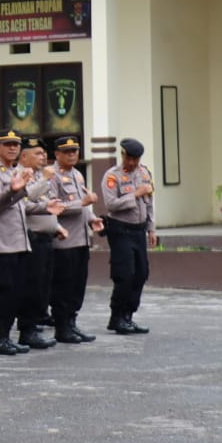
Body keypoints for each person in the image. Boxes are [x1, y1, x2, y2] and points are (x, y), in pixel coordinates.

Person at [0, 130, 53, 355]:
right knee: (3, 292)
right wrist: (17, 190)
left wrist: (44, 206)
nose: (13, 148)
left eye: (16, 144)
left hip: (19, 241)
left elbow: (23, 204)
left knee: (15, 293)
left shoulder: (15, 171)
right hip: (2, 240)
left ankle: (6, 336)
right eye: (7, 144)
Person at [47, 136, 103, 344]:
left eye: (75, 150)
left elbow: (84, 207)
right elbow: (55, 207)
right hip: (64, 242)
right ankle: (62, 327)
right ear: (57, 154)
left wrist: (92, 219)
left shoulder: (78, 175)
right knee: (63, 287)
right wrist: (82, 203)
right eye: (67, 151)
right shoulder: (52, 176)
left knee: (77, 286)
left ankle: (72, 322)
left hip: (81, 240)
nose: (72, 154)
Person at [100, 138, 156, 334]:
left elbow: (150, 203)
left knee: (141, 273)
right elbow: (110, 204)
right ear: (122, 155)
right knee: (125, 274)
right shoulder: (112, 176)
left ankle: (129, 316)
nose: (132, 163)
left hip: (139, 230)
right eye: (129, 158)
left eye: (136, 159)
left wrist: (152, 228)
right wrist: (135, 194)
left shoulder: (144, 172)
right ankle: (116, 317)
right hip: (120, 230)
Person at [17, 138, 64, 347]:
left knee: (43, 287)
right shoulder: (20, 175)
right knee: (30, 286)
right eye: (37, 153)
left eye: (43, 153)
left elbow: (46, 203)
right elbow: (23, 202)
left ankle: (35, 325)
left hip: (46, 238)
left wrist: (57, 226)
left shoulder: (39, 176)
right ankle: (27, 329)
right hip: (30, 238)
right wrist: (43, 180)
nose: (43, 156)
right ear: (23, 155)